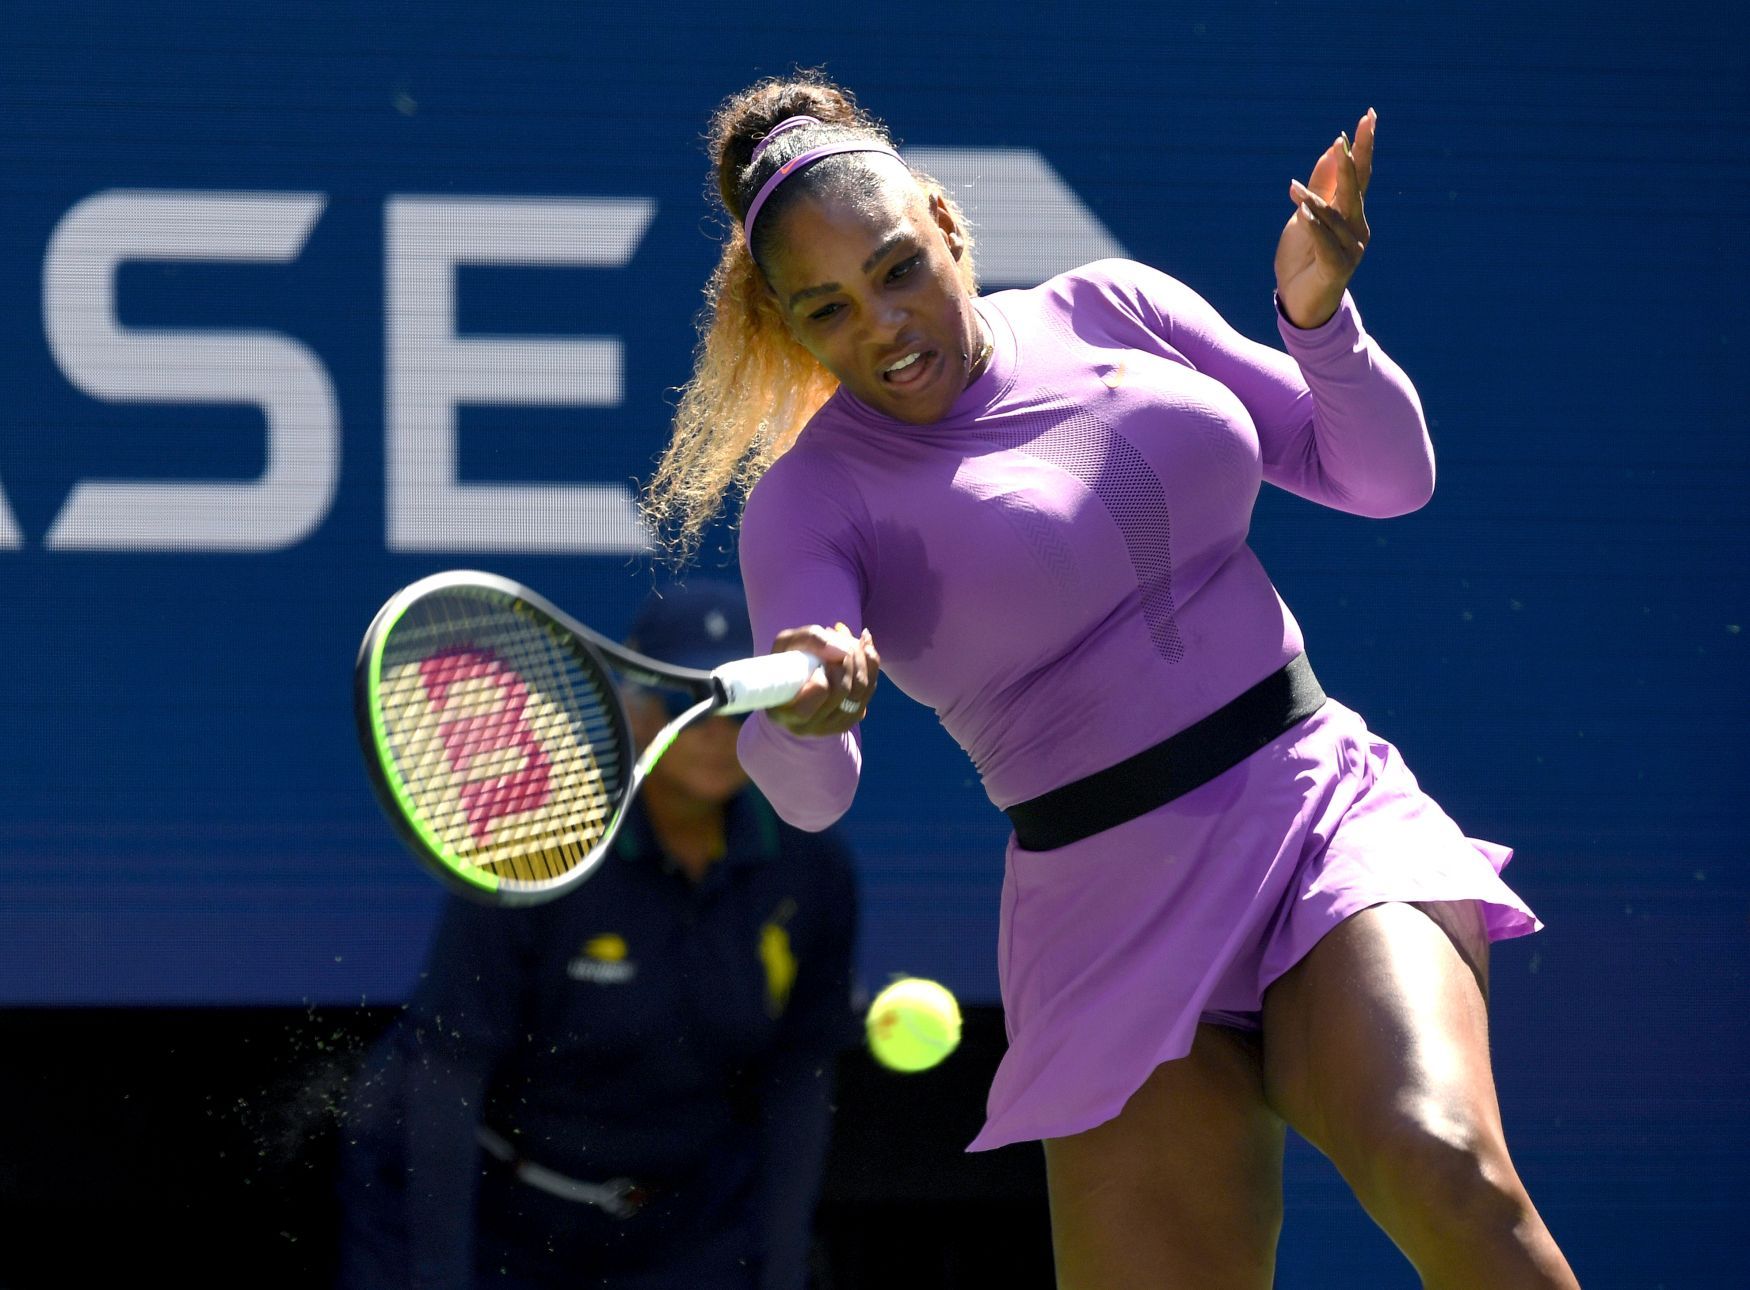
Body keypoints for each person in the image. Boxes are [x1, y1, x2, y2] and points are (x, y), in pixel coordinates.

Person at [642, 75, 1580, 1288]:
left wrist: (1319, 322)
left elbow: (1384, 477)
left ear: (944, 223)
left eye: (894, 269)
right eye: (826, 310)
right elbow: (808, 795)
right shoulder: (808, 504)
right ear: (790, 328)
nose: (879, 323)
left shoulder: (1112, 305)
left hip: (1314, 812)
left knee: (1447, 1165)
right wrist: (811, 715)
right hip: (1104, 920)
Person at [335, 579, 859, 1290]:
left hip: (690, 1231)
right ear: (635, 708)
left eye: (736, 713)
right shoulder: (538, 847)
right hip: (499, 1225)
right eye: (683, 702)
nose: (711, 731)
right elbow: (447, 1072)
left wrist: (782, 1270)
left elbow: (798, 1076)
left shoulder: (811, 869)